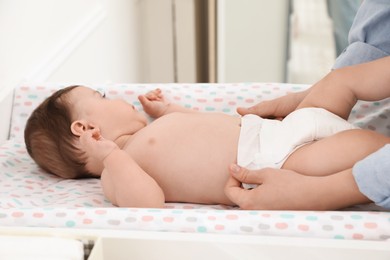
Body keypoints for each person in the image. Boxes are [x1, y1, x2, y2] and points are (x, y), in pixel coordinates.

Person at [24, 85, 390, 208]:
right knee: (360, 148)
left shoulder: (152, 128)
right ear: (86, 127)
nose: (117, 99)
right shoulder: (117, 171)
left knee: (360, 139)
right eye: (100, 96)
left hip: (272, 130)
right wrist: (113, 157)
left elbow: (197, 125)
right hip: (270, 163)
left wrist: (167, 110)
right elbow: (147, 202)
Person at [225, 55, 390, 210]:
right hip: (284, 132)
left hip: (283, 160)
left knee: (340, 82)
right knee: (339, 81)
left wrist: (317, 193)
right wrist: (313, 94)